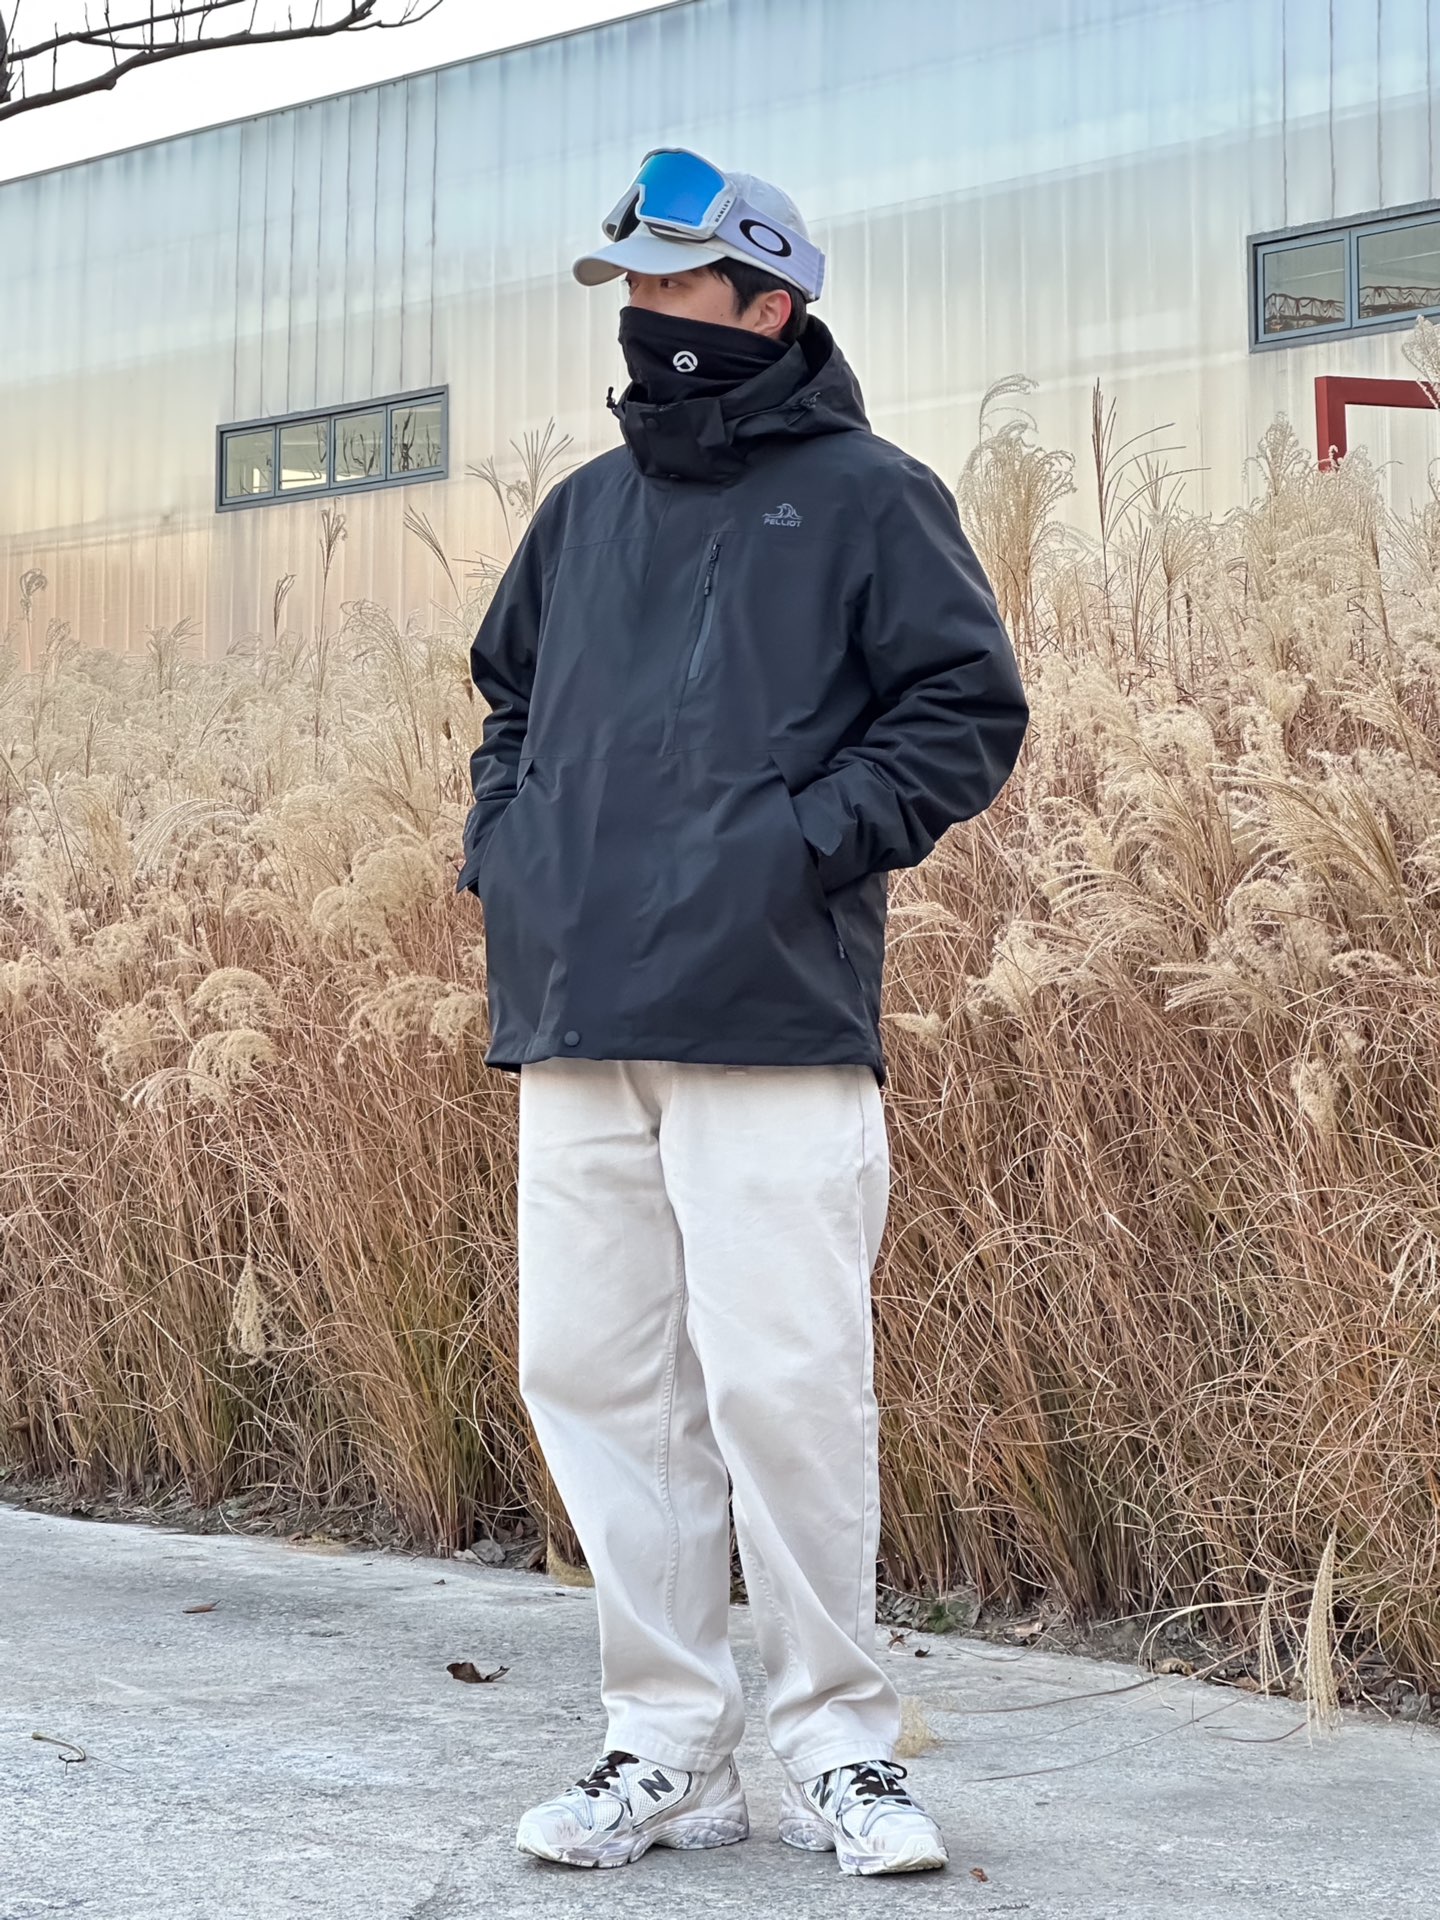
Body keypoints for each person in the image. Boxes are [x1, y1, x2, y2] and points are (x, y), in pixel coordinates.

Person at [455, 148, 1028, 1877]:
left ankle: (842, 1746)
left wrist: (793, 848)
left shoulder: (871, 497)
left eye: (675, 284)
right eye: (629, 287)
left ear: (768, 302)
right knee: (592, 1377)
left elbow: (963, 710)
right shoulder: (583, 513)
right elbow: (506, 702)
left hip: (771, 1010)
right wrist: (513, 855)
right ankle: (665, 1745)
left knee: (786, 1383)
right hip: (579, 1009)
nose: (644, 316)